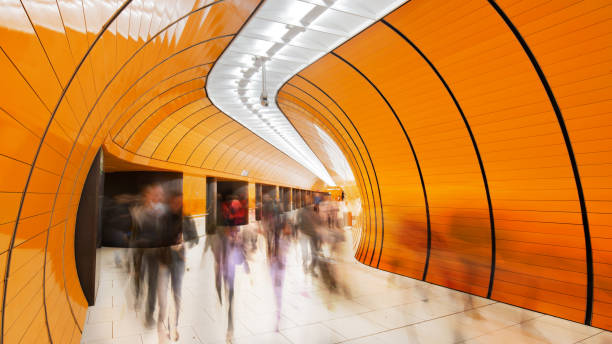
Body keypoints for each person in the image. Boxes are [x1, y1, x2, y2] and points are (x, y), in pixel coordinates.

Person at [156, 192, 199, 342]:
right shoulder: (162, 218)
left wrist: (184, 242)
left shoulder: (187, 219)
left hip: (179, 262)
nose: (177, 205)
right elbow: (157, 239)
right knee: (162, 296)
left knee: (177, 294)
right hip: (164, 260)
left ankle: (173, 326)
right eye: (175, 202)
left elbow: (196, 240)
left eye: (180, 202)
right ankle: (163, 320)